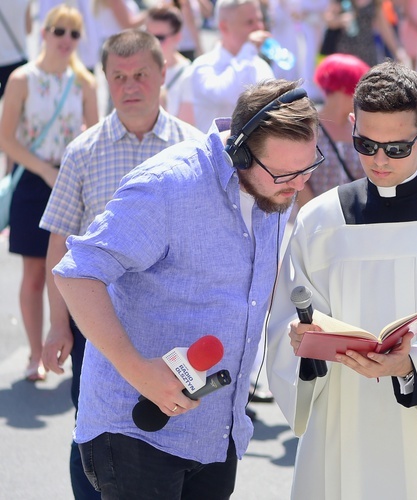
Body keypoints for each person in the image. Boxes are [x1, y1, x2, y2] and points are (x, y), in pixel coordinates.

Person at [52, 77, 320, 498]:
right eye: (286, 172)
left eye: (309, 166)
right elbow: (76, 273)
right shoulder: (167, 185)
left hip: (216, 432)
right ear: (241, 151)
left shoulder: (274, 187)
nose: (299, 183)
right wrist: (139, 372)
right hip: (136, 431)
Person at [266, 61, 417, 499]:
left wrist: (415, 363)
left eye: (396, 148)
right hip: (343, 415)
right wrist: (303, 341)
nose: (378, 160)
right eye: (366, 144)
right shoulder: (320, 219)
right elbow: (289, 322)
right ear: (352, 125)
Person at [39, 29, 202, 500]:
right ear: (106, 80)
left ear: (162, 74)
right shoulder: (83, 151)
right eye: (119, 77)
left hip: (174, 320)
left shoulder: (193, 150)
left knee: (175, 425)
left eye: (141, 75)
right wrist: (57, 325)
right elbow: (60, 246)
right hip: (98, 322)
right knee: (91, 430)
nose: (130, 86)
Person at [0, 4, 98, 382]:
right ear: (44, 33)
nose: (66, 40)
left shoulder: (85, 81)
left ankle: (73, 352)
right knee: (34, 272)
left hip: (72, 181)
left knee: (73, 271)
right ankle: (33, 352)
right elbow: (6, 138)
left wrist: (67, 171)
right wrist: (43, 169)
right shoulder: (22, 79)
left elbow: (94, 133)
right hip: (32, 179)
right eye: (59, 31)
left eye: (74, 33)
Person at [296, 53, 369, 208]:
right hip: (314, 219)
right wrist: (317, 218)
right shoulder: (307, 125)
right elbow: (296, 177)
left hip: (354, 221)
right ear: (343, 87)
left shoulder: (363, 129)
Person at [190, 0, 274, 132]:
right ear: (224, 27)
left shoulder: (260, 65)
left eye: (260, 20)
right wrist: (248, 49)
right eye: (249, 22)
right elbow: (227, 96)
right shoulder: (203, 66)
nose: (259, 27)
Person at [145, 5, 195, 124]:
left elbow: (187, 130)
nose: (152, 43)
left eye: (159, 37)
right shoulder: (135, 68)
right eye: (147, 36)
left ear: (177, 37)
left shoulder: (189, 75)